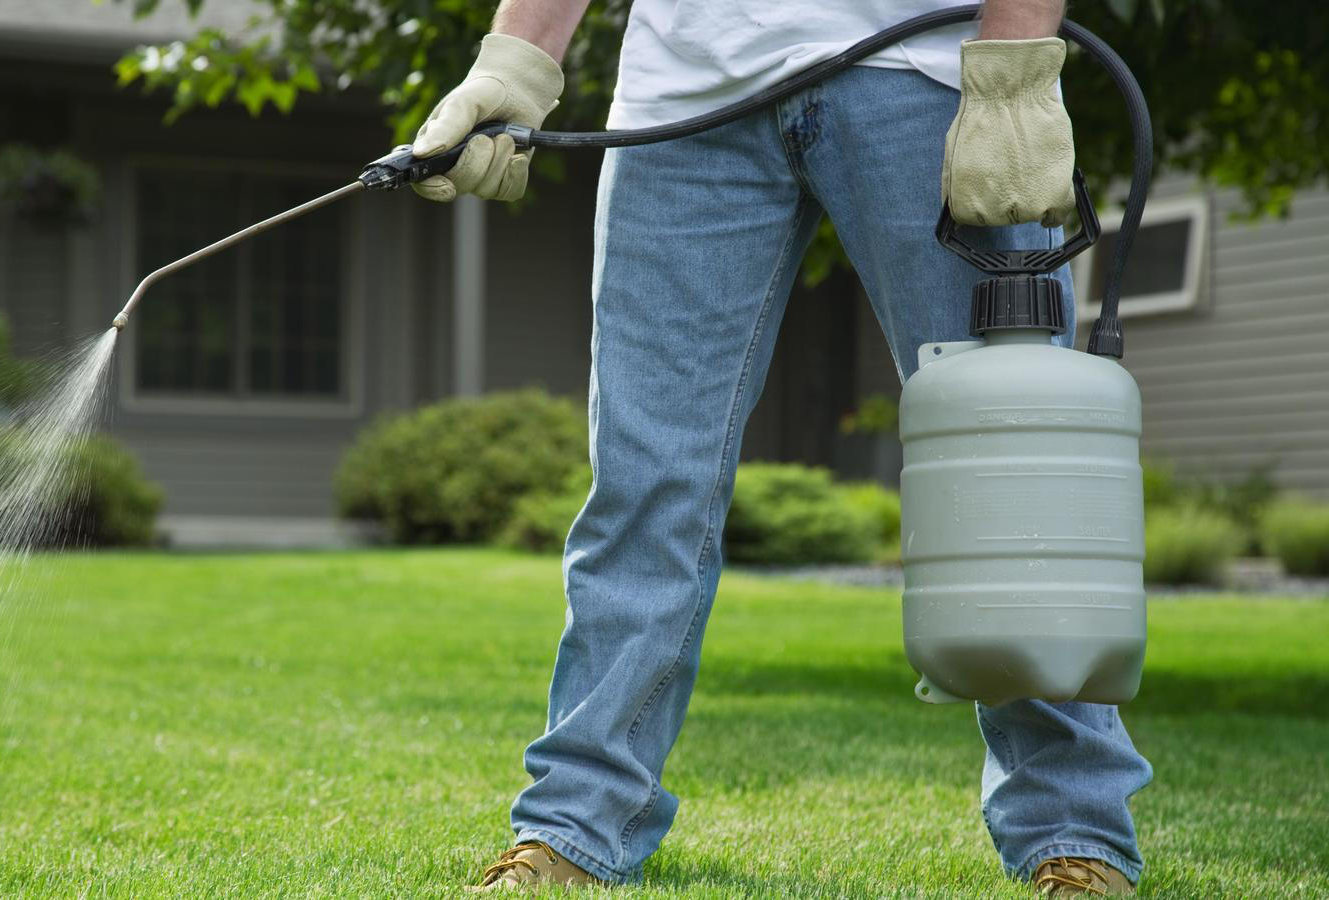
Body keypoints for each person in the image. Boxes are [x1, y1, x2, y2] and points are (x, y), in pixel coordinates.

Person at [409, 0, 1153, 894]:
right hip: (685, 95)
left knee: (1018, 464)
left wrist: (1017, 62)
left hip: (928, 74)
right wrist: (518, 60)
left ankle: (1076, 835)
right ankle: (575, 825)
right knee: (644, 481)